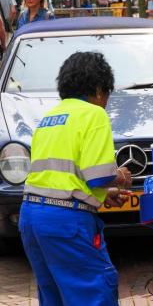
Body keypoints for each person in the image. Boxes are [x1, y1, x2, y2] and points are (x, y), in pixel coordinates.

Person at [19, 51, 132, 306]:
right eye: (107, 95)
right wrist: (120, 177)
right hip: (67, 223)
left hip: (31, 218)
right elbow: (98, 175)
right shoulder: (94, 114)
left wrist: (103, 196)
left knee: (54, 296)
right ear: (99, 89)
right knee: (93, 293)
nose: (106, 102)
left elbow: (60, 177)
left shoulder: (49, 119)